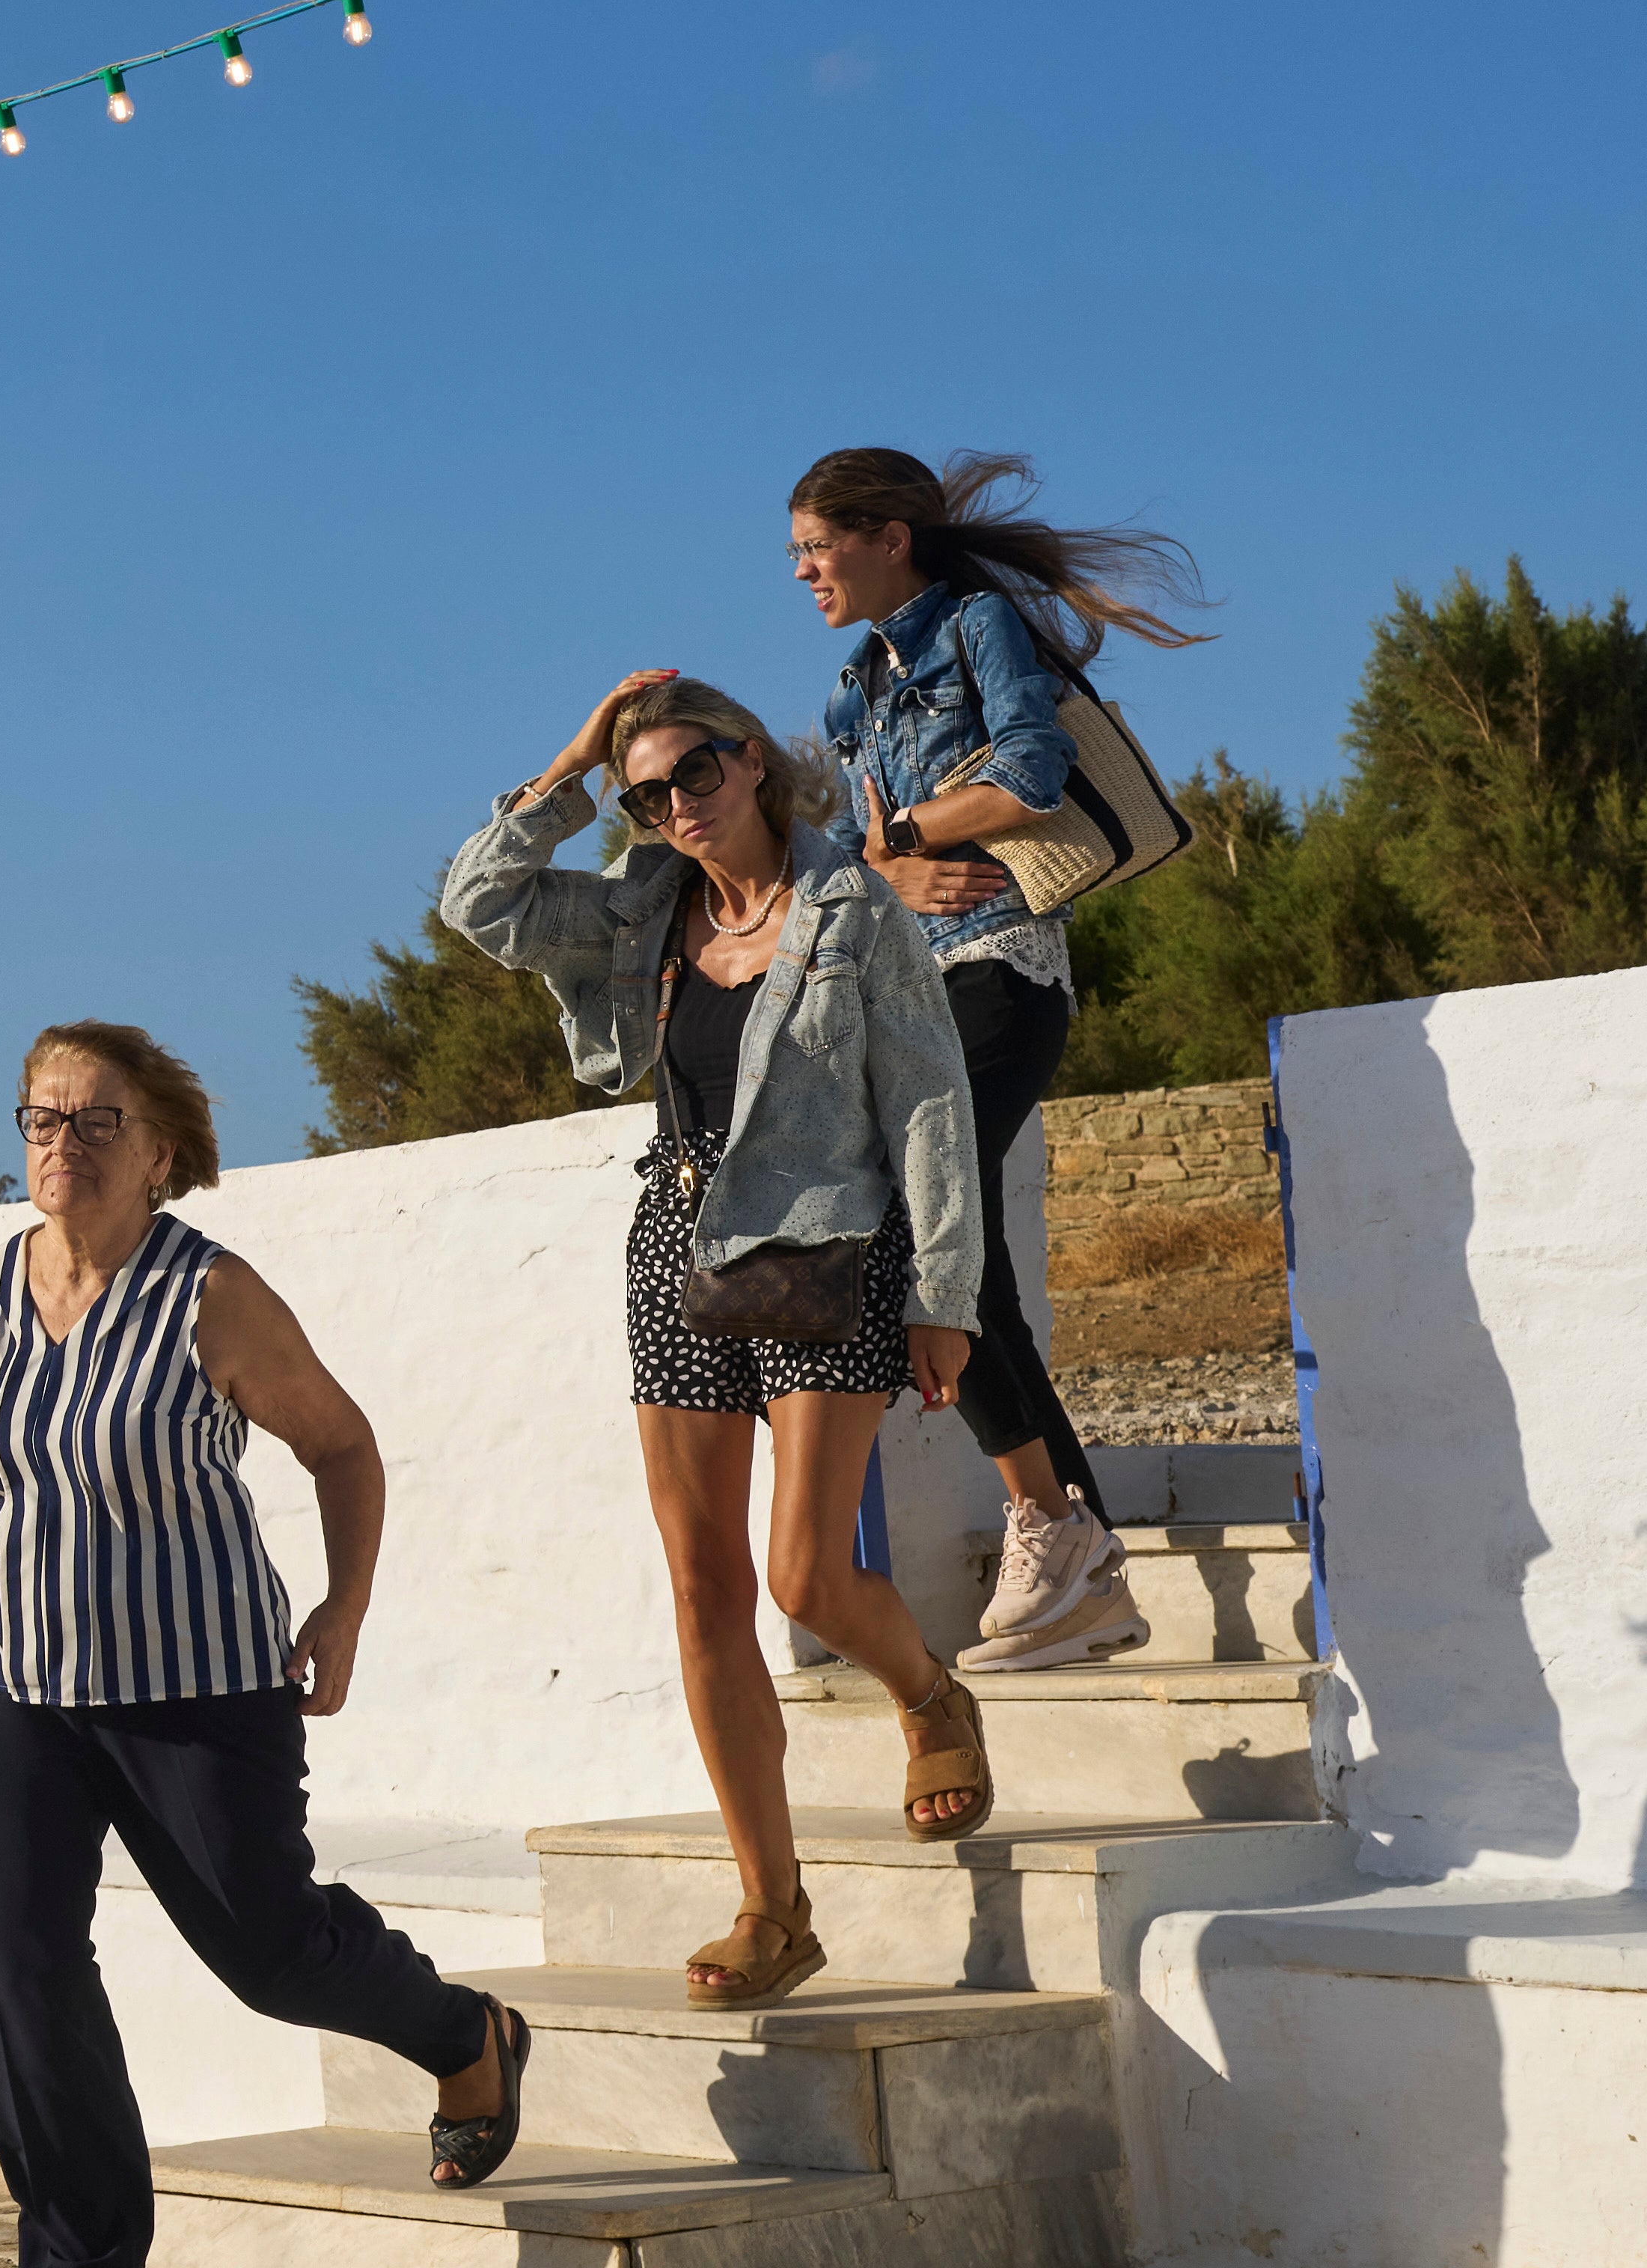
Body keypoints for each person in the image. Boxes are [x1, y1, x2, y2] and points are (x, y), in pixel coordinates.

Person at [0, 1021, 519, 2268]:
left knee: (270, 1951)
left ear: (161, 1154)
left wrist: (344, 1610)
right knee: (8, 1971)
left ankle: (462, 2032)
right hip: (7, 1677)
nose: (59, 1143)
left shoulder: (211, 1296)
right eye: (39, 1118)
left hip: (195, 1684)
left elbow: (342, 1446)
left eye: (94, 1121)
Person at [441, 680, 998, 2007]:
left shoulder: (857, 907)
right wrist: (571, 760)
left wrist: (946, 1294)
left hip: (830, 1247)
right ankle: (772, 1903)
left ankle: (928, 1695)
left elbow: (928, 1100)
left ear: (752, 762)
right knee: (702, 1588)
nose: (676, 806)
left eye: (694, 773)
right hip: (678, 1249)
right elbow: (478, 905)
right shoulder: (645, 908)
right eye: (646, 793)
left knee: (804, 1576)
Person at [790, 447, 1217, 1672]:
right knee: (955, 1258)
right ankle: (1076, 1557)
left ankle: (1050, 1525)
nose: (807, 571)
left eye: (821, 545)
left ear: (891, 537)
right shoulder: (845, 690)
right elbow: (859, 857)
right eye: (798, 554)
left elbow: (1029, 773)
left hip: (1000, 972)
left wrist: (913, 830)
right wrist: (888, 862)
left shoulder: (974, 625)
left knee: (934, 1237)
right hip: (912, 989)